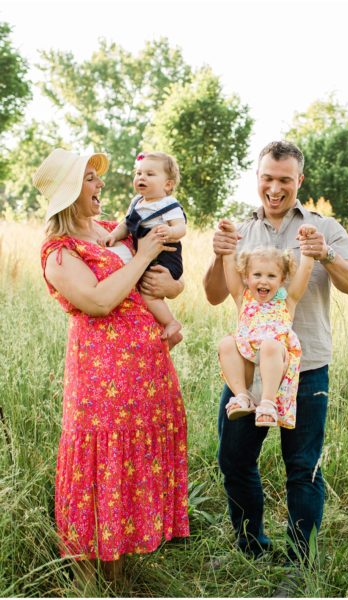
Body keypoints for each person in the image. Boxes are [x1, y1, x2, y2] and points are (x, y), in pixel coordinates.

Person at [34, 148, 189, 590]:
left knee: (128, 472)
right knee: (99, 468)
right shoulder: (59, 252)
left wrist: (171, 286)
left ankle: (119, 578)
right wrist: (143, 257)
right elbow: (99, 302)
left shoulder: (109, 231)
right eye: (89, 179)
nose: (101, 184)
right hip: (104, 382)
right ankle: (89, 584)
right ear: (68, 194)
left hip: (147, 374)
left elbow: (164, 281)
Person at [203, 140, 348, 561]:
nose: (275, 188)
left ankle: (300, 561)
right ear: (258, 178)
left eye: (285, 180)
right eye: (268, 179)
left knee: (303, 469)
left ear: (299, 181)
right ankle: (251, 545)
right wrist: (219, 253)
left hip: (307, 366)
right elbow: (215, 295)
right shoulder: (240, 230)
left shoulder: (324, 228)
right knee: (234, 460)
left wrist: (323, 254)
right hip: (249, 370)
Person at [218, 218, 317, 428]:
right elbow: (228, 263)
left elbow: (305, 271)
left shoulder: (287, 300)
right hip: (246, 366)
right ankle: (242, 397)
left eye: (271, 276)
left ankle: (268, 404)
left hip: (274, 368)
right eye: (257, 275)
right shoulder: (242, 296)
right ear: (246, 276)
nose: (263, 281)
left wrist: (308, 248)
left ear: (282, 280)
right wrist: (229, 240)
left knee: (271, 345)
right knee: (226, 343)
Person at [102, 151, 186, 341]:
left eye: (150, 174)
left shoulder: (168, 204)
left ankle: (171, 322)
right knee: (140, 292)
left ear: (168, 184)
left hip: (165, 255)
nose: (141, 177)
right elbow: (126, 225)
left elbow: (181, 227)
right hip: (146, 255)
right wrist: (113, 235)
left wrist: (171, 232)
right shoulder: (136, 203)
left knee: (150, 293)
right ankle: (154, 328)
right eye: (138, 173)